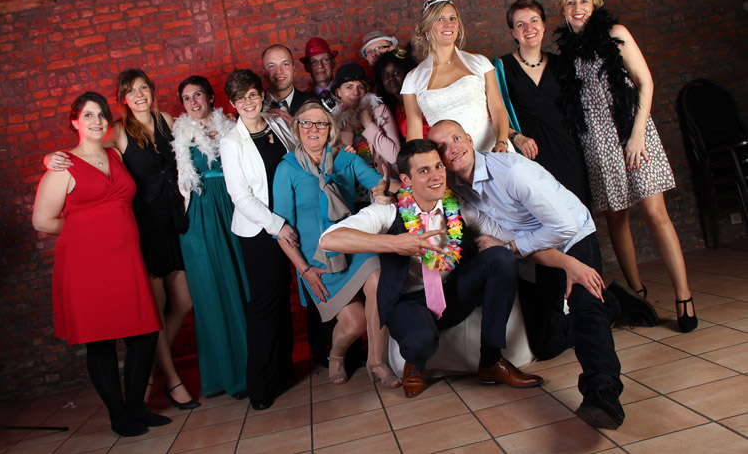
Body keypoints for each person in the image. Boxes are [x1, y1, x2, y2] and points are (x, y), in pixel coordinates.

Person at [428, 119, 657, 429]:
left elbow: (563, 226)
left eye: (456, 138)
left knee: (585, 306)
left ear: (469, 139)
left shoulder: (513, 171)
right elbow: (501, 238)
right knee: (547, 343)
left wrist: (568, 262)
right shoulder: (458, 192)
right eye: (442, 147)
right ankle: (616, 302)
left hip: (572, 235)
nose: (452, 148)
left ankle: (602, 393)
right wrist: (556, 262)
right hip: (533, 252)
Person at [319, 139, 544, 399]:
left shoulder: (457, 206)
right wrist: (394, 243)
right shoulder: (387, 211)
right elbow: (329, 240)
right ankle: (414, 363)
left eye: (438, 166)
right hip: (408, 301)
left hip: (452, 294)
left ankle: (492, 361)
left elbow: (509, 237)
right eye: (424, 170)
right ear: (406, 179)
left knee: (500, 257)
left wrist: (564, 259)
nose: (436, 176)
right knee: (420, 343)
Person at [44, 70, 199, 409]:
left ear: (152, 91)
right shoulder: (116, 130)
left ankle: (148, 372)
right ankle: (172, 381)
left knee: (184, 302)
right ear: (123, 99)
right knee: (155, 311)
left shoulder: (166, 120)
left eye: (143, 87)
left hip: (173, 222)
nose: (139, 94)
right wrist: (50, 158)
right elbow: (86, 150)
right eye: (131, 91)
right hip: (143, 229)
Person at [555, 0, 697, 332]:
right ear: (563, 10)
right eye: (571, 2)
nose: (578, 8)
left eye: (584, 1)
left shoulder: (616, 34)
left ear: (595, 4)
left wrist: (636, 135)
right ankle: (637, 295)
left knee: (655, 213)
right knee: (616, 218)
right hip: (596, 143)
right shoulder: (566, 53)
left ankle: (684, 296)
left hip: (633, 133)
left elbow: (645, 82)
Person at [33, 92, 171, 437]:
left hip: (127, 258)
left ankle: (136, 406)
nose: (96, 121)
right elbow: (42, 220)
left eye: (101, 115)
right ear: (74, 121)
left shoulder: (114, 153)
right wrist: (86, 230)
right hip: (87, 263)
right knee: (101, 340)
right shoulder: (63, 165)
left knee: (144, 334)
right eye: (88, 115)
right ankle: (118, 415)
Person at [272, 101, 401, 388]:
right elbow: (282, 232)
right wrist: (304, 270)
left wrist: (406, 187)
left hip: (353, 244)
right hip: (316, 258)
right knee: (354, 322)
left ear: (329, 129)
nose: (313, 129)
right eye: (306, 123)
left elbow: (381, 185)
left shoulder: (346, 160)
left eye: (320, 123)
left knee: (379, 278)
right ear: (297, 128)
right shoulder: (287, 169)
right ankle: (336, 355)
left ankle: (377, 361)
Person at [220, 68, 297, 411]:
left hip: (291, 219)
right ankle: (260, 386)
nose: (248, 102)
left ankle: (284, 369)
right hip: (260, 230)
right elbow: (240, 197)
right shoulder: (231, 142)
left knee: (284, 297)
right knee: (265, 304)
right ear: (232, 104)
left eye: (253, 94)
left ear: (261, 94)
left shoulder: (278, 124)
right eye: (241, 98)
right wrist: (277, 225)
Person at [172, 76, 250, 400]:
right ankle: (220, 375)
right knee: (208, 294)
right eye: (186, 98)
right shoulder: (179, 133)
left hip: (231, 208)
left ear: (210, 97)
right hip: (198, 216)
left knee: (239, 284)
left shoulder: (231, 126)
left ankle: (248, 370)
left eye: (198, 95)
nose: (193, 102)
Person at [499, 0, 591, 207]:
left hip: (569, 153)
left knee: (580, 215)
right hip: (532, 158)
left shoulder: (563, 63)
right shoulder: (501, 68)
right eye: (520, 24)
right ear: (513, 32)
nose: (528, 28)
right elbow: (492, 114)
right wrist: (516, 137)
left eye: (534, 21)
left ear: (543, 26)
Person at [401, 0, 511, 152]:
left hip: (495, 152)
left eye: (452, 18)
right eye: (440, 19)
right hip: (452, 161)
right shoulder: (412, 80)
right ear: (427, 28)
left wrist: (502, 142)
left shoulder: (480, 63)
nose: (449, 24)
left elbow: (498, 110)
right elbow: (415, 136)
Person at [330, 63, 401, 177]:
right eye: (349, 87)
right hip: (353, 184)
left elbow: (394, 157)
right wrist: (346, 130)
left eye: (360, 87)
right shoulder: (332, 119)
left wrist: (369, 124)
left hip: (384, 180)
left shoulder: (380, 110)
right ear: (338, 92)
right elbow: (338, 164)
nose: (356, 92)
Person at [373, 46, 431, 140]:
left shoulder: (422, 98)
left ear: (407, 72)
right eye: (386, 75)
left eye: (396, 73)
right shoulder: (397, 109)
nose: (391, 78)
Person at [262, 44, 314, 117]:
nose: (279, 71)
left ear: (294, 70)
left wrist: (295, 124)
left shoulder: (312, 104)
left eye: (285, 64)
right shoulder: (253, 105)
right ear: (264, 73)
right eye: (271, 66)